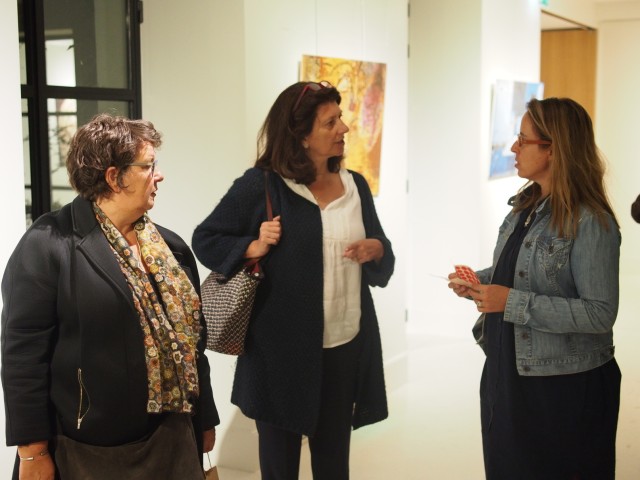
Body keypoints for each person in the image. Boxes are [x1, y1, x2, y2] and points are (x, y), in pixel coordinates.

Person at [192, 81, 394, 480]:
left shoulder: (355, 187)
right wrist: (252, 246)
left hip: (343, 346)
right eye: (330, 122)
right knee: (279, 468)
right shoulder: (263, 185)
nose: (344, 128)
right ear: (301, 136)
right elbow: (206, 239)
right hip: (278, 358)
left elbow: (381, 259)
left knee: (333, 464)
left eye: (340, 118)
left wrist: (377, 250)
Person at [1, 114, 219, 480]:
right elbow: (23, 355)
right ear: (114, 177)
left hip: (174, 437)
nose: (159, 175)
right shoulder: (50, 243)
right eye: (148, 166)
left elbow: (192, 345)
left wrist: (205, 417)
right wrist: (32, 452)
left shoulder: (172, 248)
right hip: (89, 449)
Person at [448, 98, 621, 479]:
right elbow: (522, 270)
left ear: (553, 149)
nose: (513, 147)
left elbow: (600, 313)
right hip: (508, 373)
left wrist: (510, 302)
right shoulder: (525, 206)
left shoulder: (592, 222)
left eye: (523, 140)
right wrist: (480, 281)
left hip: (562, 388)